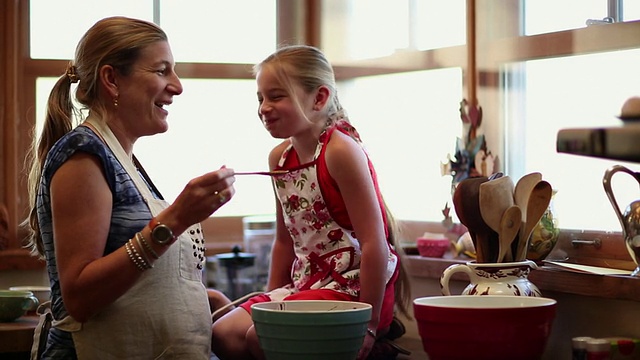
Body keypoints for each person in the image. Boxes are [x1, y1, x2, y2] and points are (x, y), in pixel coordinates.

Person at [23, 16, 235, 359]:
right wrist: (176, 219)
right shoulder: (83, 155)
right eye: (162, 70)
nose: (177, 86)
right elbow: (78, 297)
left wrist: (207, 299)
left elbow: (137, 286)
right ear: (111, 79)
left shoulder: (123, 160)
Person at [211, 44, 412, 360]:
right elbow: (283, 241)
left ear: (319, 98)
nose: (264, 107)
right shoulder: (279, 158)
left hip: (353, 289)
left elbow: (375, 244)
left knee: (261, 338)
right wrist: (269, 303)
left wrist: (369, 324)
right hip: (307, 283)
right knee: (223, 335)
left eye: (276, 96)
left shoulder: (341, 152)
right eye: (260, 98)